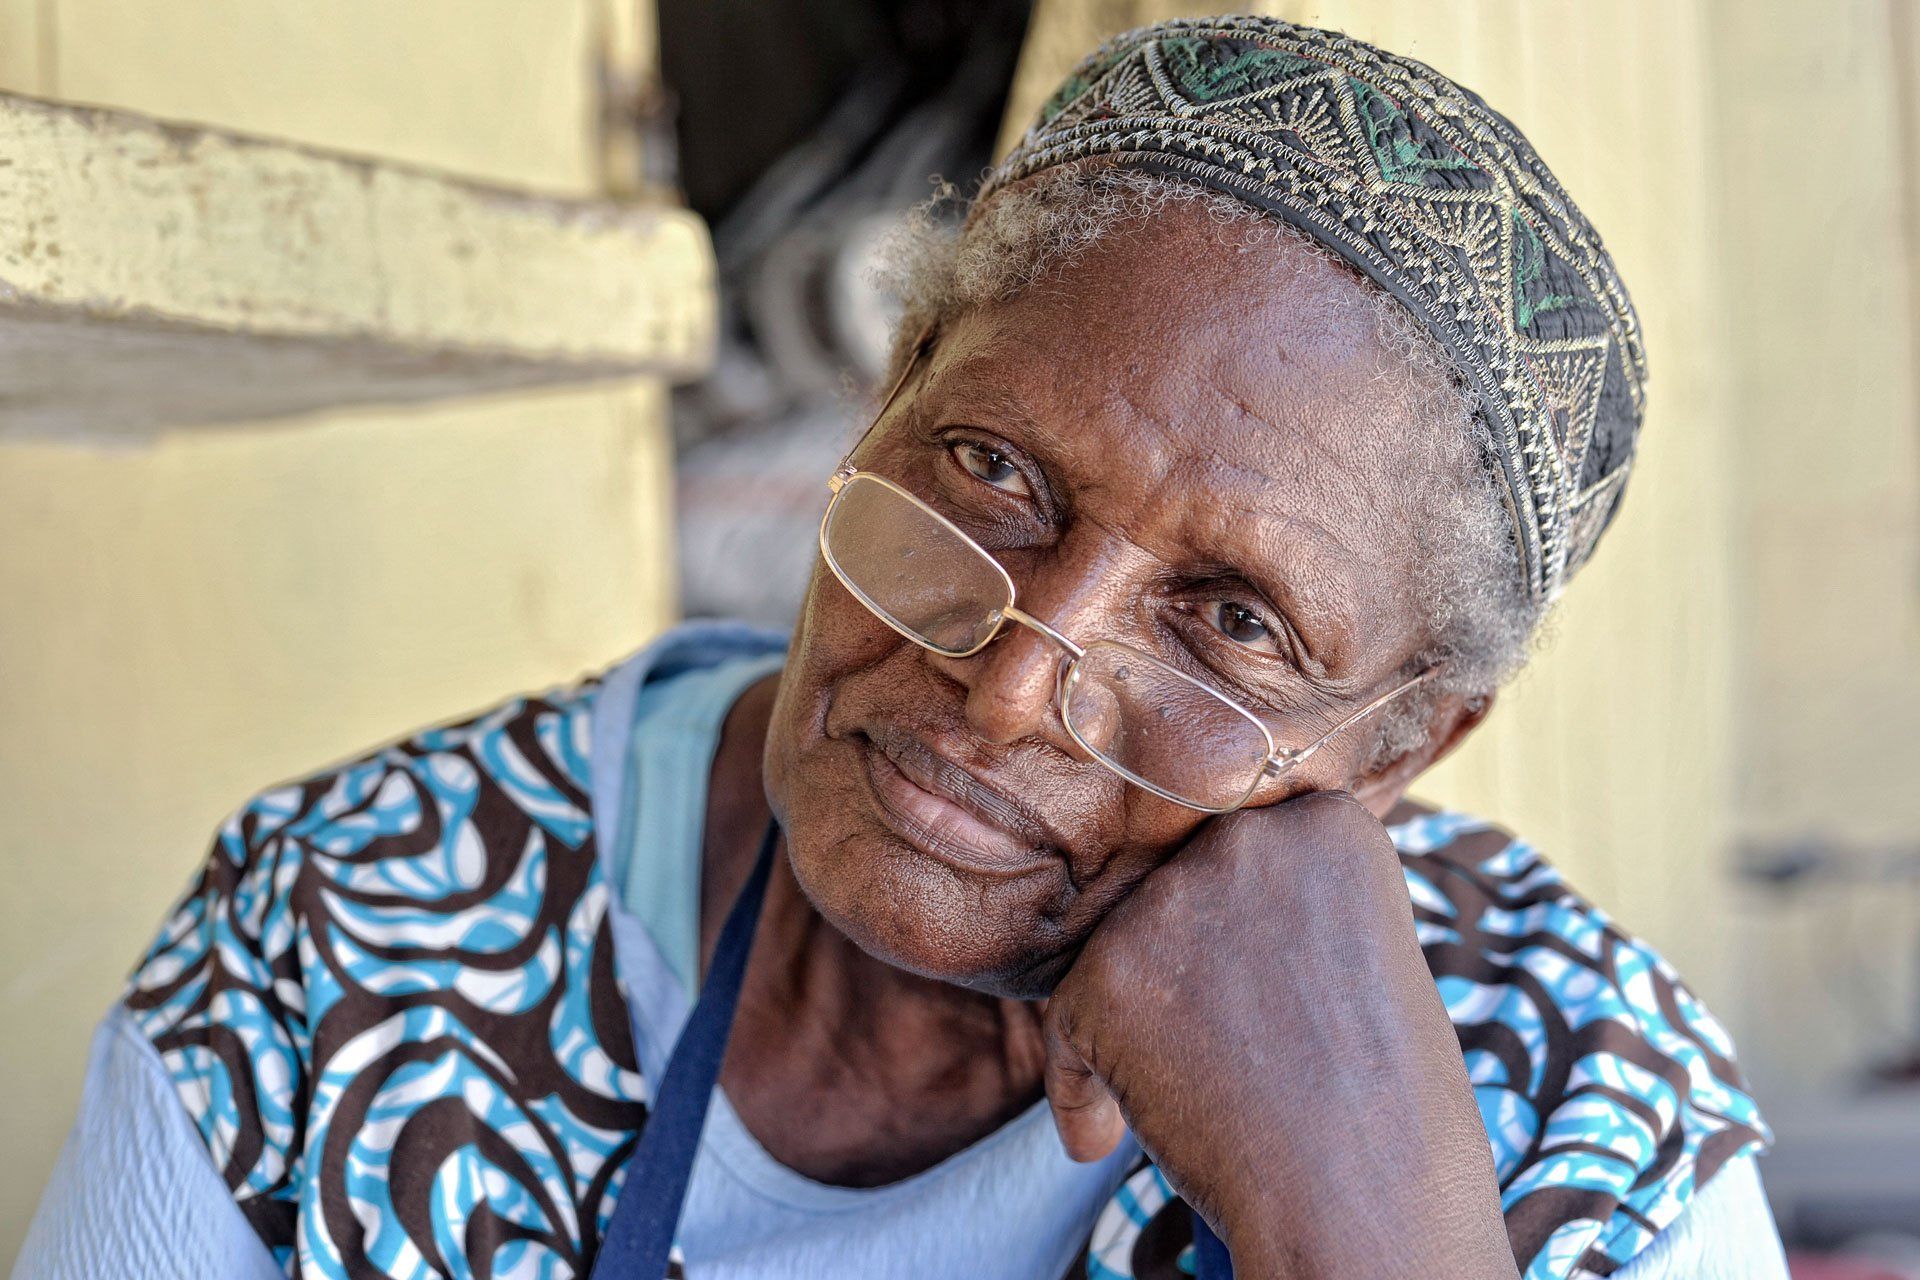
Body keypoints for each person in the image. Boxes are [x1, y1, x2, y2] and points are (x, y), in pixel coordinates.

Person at [16, 17, 1787, 1280]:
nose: (1013, 681)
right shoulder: (347, 943)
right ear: (885, 404)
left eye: (1230, 623)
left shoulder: (1574, 1117)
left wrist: (1360, 1240)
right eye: (994, 472)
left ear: (1393, 750)